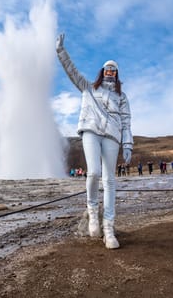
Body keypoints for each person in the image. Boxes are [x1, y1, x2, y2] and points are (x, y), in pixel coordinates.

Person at [56, 34, 133, 249]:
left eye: (114, 69)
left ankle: (108, 228)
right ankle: (92, 213)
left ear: (117, 74)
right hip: (91, 131)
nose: (110, 71)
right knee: (94, 173)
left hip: (112, 136)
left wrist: (128, 144)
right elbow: (71, 71)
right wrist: (61, 51)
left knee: (109, 180)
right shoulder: (89, 87)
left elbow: (127, 120)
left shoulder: (122, 96)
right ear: (102, 71)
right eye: (107, 68)